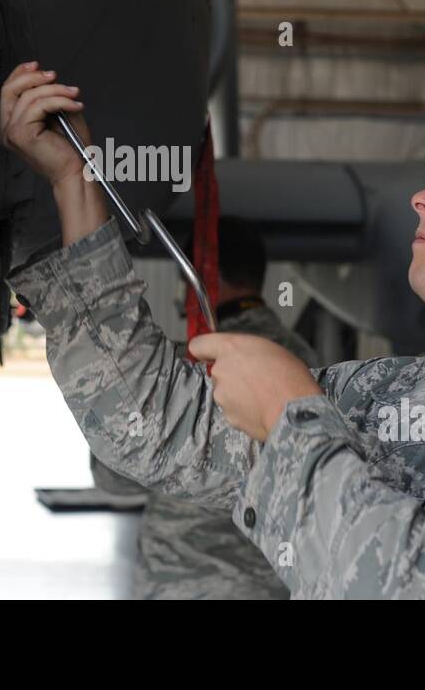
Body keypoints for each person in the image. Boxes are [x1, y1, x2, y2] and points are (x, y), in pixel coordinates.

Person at [0, 62, 425, 599]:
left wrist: (290, 415)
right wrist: (73, 182)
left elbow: (418, 586)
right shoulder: (373, 394)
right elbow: (147, 422)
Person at [91, 216, 318, 599]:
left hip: (186, 583)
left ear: (201, 276)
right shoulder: (310, 361)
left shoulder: (185, 369)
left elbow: (113, 478)